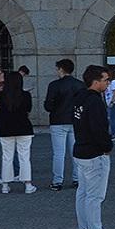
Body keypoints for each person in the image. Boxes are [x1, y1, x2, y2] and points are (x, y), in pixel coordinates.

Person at [73, 65, 115, 229]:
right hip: (94, 153)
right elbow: (99, 128)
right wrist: (107, 146)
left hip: (81, 150)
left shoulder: (79, 98)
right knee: (95, 195)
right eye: (105, 80)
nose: (108, 83)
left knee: (84, 192)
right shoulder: (94, 102)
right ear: (95, 81)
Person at [44, 59, 84, 190]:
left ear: (61, 69)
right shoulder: (79, 85)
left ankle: (57, 181)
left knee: (58, 153)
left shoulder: (54, 85)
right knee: (75, 152)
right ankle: (77, 179)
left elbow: (48, 106)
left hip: (57, 121)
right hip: (75, 121)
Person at [0, 71, 37, 194]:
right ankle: (28, 184)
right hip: (23, 127)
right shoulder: (25, 95)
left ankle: (5, 185)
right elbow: (28, 109)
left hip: (5, 128)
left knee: (6, 157)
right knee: (24, 157)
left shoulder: (0, 95)